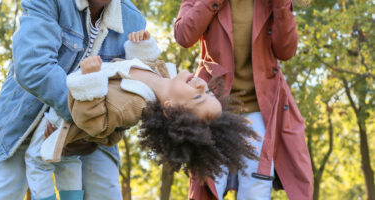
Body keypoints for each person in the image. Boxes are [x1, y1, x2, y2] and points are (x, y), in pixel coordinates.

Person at [40, 30, 260, 183]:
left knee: (41, 170)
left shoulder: (133, 106)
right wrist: (141, 44)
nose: (202, 85)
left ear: (170, 108)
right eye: (209, 92)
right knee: (66, 173)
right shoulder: (164, 76)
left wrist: (90, 80)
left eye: (198, 97)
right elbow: (137, 67)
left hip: (55, 122)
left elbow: (94, 121)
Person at [0, 0, 146, 200]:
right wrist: (80, 118)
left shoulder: (133, 20)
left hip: (93, 130)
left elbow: (129, 90)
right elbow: (33, 66)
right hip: (23, 117)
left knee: (105, 193)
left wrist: (82, 130)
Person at [174, 0, 313, 199]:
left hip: (259, 107)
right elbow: (183, 36)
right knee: (209, 182)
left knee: (256, 187)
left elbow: (286, 51)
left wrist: (281, 5)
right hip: (214, 105)